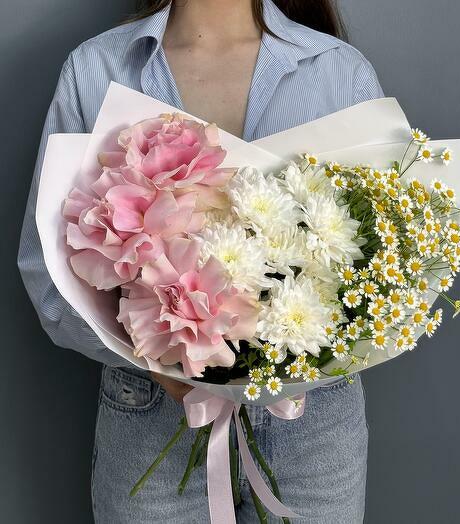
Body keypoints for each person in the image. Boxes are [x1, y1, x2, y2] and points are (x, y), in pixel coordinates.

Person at [18, 1, 384, 522]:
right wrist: (159, 359)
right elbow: (44, 268)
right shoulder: (95, 69)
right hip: (151, 410)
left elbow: (381, 258)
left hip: (312, 420)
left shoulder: (339, 71)